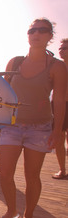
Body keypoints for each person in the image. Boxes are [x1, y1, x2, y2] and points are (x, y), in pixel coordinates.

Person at [0, 19, 67, 218]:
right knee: (4, 174)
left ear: (49, 36)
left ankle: (28, 215)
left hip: (40, 127)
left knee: (32, 175)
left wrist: (57, 131)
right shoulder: (15, 62)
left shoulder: (57, 66)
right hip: (12, 125)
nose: (36, 33)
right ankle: (11, 210)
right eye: (32, 30)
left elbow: (59, 99)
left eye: (42, 30)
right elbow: (4, 94)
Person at [52, 38, 68, 180]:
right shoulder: (56, 66)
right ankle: (62, 170)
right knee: (59, 138)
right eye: (60, 48)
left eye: (65, 48)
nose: (61, 51)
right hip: (57, 105)